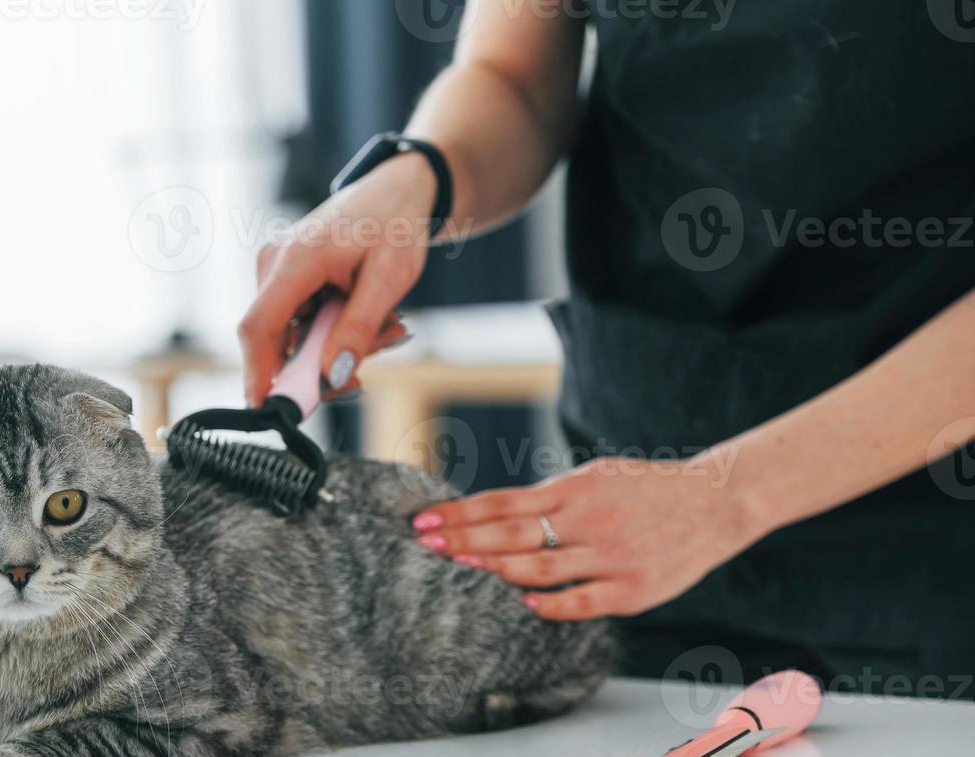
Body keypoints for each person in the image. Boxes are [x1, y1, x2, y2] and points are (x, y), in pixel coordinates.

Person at [236, 3, 975, 697]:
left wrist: (730, 495)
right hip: (636, 500)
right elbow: (512, 78)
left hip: (926, 527)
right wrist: (412, 179)